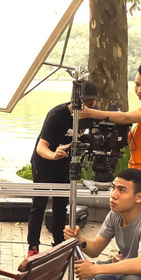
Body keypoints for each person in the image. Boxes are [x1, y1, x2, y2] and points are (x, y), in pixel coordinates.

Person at [26, 81, 99, 257]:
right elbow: (41, 147)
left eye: (92, 105)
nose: (88, 109)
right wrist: (53, 155)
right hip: (44, 162)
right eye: (85, 105)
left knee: (61, 205)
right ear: (75, 101)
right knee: (39, 204)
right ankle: (33, 247)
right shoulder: (56, 115)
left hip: (65, 163)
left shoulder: (90, 114)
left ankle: (58, 245)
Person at [79, 61, 141, 193]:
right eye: (137, 84)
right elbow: (140, 129)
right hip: (140, 168)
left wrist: (90, 113)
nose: (139, 90)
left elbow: (126, 118)